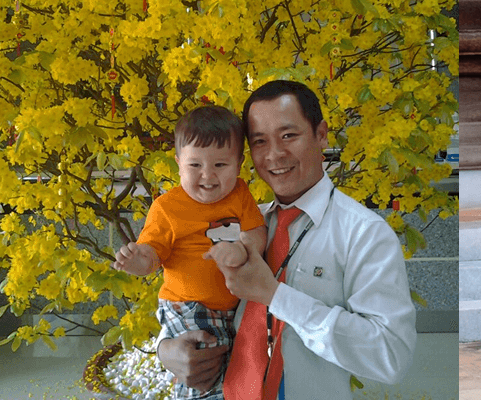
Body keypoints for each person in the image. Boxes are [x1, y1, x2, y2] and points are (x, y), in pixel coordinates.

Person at [157, 80, 417, 400]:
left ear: (321, 134)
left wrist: (276, 296)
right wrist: (166, 350)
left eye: (288, 136)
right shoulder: (246, 227)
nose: (275, 155)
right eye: (260, 141)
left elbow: (390, 358)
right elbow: (195, 299)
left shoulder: (364, 234)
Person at [113, 105, 268, 400]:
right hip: (189, 306)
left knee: (229, 371)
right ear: (178, 163)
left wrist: (243, 249)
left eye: (220, 165)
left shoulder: (240, 194)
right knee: (206, 373)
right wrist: (136, 261)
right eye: (195, 165)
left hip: (230, 310)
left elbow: (256, 231)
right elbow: (152, 254)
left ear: (239, 163)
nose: (207, 176)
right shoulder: (167, 207)